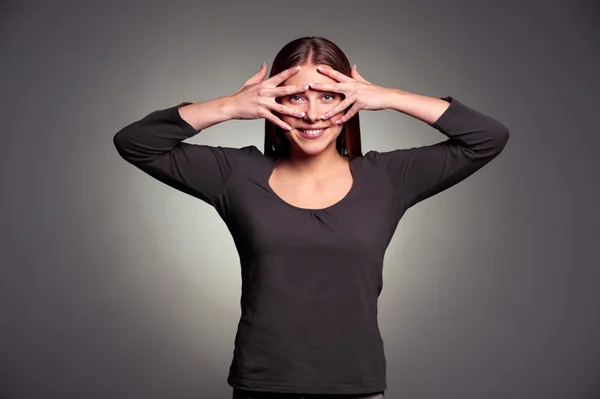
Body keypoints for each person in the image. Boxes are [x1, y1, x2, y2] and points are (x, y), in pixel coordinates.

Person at [113, 36, 510, 398]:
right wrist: (229, 106)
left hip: (355, 386)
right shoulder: (236, 175)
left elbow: (486, 137)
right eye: (297, 98)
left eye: (328, 96)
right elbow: (135, 143)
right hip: (263, 386)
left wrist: (388, 96)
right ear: (274, 102)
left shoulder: (387, 179)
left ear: (350, 101)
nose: (312, 114)